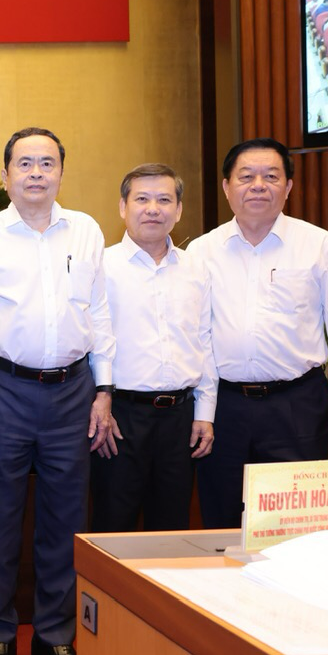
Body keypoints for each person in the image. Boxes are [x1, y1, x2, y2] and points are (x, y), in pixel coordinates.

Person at [0, 127, 116, 655]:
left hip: (73, 392)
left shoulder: (86, 230)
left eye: (47, 163)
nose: (37, 173)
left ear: (62, 172)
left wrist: (104, 390)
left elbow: (99, 314)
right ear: (6, 175)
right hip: (3, 390)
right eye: (25, 163)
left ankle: (54, 636)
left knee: (66, 519)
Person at [190, 138, 328, 528]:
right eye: (246, 176)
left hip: (296, 405)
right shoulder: (201, 252)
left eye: (271, 176)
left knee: (295, 527)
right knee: (221, 523)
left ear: (288, 187)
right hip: (224, 408)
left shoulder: (318, 245)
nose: (258, 185)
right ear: (226, 186)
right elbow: (192, 336)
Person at [92, 164, 216, 532]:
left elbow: (205, 341)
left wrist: (205, 413)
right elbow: (90, 344)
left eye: (164, 200)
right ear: (122, 207)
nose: (153, 209)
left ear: (178, 210)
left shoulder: (196, 268)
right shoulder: (101, 266)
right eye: (142, 199)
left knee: (172, 531)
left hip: (180, 419)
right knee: (113, 530)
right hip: (120, 419)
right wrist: (98, 406)